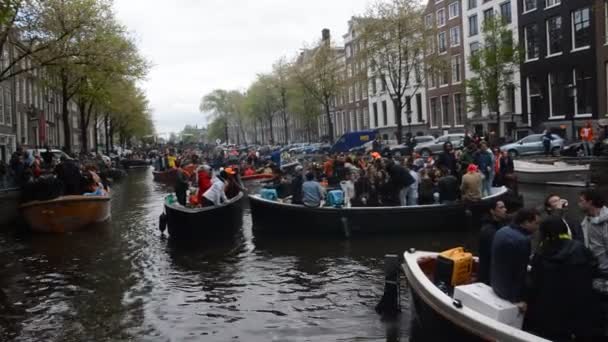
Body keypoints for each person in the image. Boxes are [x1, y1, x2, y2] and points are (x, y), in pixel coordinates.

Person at [524, 216, 602, 340]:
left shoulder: (540, 252)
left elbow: (534, 280)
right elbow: (594, 269)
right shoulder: (578, 248)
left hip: (550, 308)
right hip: (578, 305)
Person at [491, 208, 541, 303]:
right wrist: (518, 299)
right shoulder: (522, 241)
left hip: (496, 284)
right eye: (536, 223)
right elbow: (520, 272)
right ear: (526, 222)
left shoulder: (501, 231)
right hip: (508, 292)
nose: (537, 227)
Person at [579, 189, 608, 294]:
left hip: (604, 272)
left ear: (590, 202)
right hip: (592, 269)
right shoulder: (587, 220)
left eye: (581, 201)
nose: (579, 204)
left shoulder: (605, 222)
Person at [478, 199, 508, 285]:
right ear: (492, 211)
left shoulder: (500, 225)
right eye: (501, 207)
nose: (505, 210)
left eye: (504, 207)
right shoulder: (489, 231)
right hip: (489, 275)